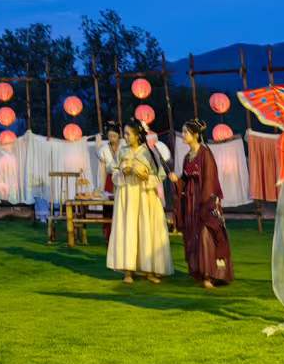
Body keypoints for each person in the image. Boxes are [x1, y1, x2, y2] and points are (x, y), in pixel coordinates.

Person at [107, 119, 173, 284]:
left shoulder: (148, 152)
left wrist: (146, 176)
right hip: (127, 195)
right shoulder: (122, 151)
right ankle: (128, 270)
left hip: (145, 195)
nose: (125, 137)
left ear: (137, 135)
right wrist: (122, 172)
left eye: (128, 134)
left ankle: (149, 269)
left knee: (146, 229)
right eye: (125, 134)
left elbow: (160, 174)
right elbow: (113, 172)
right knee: (128, 229)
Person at [170, 120, 233, 288]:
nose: (183, 135)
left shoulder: (205, 154)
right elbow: (185, 181)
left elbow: (210, 180)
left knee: (206, 234)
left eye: (186, 132)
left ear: (196, 135)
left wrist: (206, 204)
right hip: (191, 202)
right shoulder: (187, 157)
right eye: (183, 132)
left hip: (204, 201)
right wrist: (177, 180)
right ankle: (199, 271)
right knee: (193, 235)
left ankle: (210, 274)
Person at [96, 121, 123, 240]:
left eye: (114, 136)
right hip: (110, 180)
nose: (112, 138)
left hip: (123, 178)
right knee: (108, 208)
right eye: (110, 136)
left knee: (122, 206)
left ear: (119, 135)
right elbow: (102, 170)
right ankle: (108, 234)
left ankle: (121, 235)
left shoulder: (124, 146)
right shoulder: (103, 149)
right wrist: (101, 187)